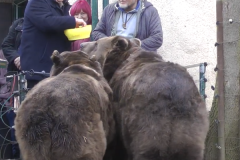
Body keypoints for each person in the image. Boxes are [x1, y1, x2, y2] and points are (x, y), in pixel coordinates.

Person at [18, 0, 86, 88]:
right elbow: (47, 22)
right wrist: (73, 21)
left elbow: (62, 29)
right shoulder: (36, 2)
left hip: (58, 68)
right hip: (39, 69)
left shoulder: (65, 6)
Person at [91, 0, 163, 52]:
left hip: (138, 59)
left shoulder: (150, 12)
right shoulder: (109, 10)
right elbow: (97, 32)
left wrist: (131, 46)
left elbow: (157, 38)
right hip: (113, 57)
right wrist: (111, 43)